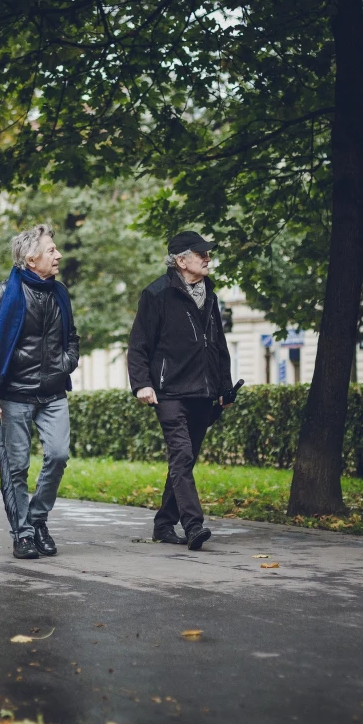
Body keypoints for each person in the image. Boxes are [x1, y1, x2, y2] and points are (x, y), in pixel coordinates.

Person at [0, 224, 79, 560]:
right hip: (14, 394)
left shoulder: (60, 293)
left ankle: (37, 519)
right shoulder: (5, 294)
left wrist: (66, 363)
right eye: (51, 250)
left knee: (58, 455)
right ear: (32, 259)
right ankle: (22, 533)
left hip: (53, 392)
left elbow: (72, 337)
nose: (58, 255)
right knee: (16, 467)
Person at [127, 230, 234, 550]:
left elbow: (218, 344)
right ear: (181, 261)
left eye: (208, 254)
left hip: (203, 392)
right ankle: (193, 524)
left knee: (184, 461)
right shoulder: (156, 294)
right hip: (169, 391)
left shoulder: (210, 294)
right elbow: (138, 344)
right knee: (182, 455)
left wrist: (225, 387)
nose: (208, 259)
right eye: (201, 254)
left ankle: (163, 524)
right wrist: (141, 384)